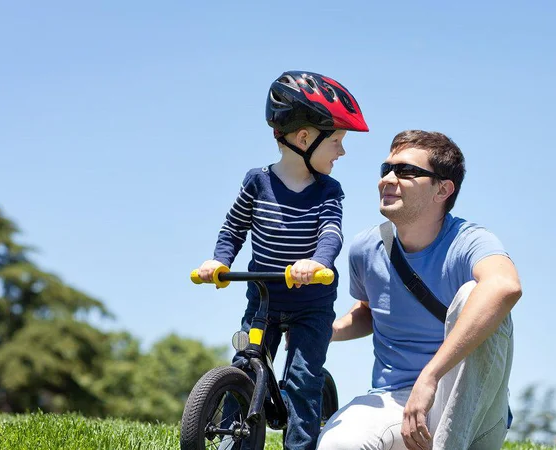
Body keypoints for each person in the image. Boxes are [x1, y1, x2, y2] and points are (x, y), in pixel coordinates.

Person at [196, 70, 368, 450]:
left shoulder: (328, 190)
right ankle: (233, 444)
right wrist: (218, 261)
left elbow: (331, 233)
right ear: (304, 138)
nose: (342, 152)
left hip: (311, 304)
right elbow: (232, 229)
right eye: (337, 141)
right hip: (264, 301)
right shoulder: (256, 182)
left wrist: (318, 263)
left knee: (303, 382)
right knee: (243, 367)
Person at [317, 130, 522, 450]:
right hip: (394, 400)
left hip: (472, 408)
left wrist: (430, 376)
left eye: (406, 171)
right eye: (386, 169)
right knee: (337, 444)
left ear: (443, 189)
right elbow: (369, 313)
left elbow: (505, 286)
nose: (388, 179)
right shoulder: (366, 247)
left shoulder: (470, 240)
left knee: (477, 294)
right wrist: (320, 330)